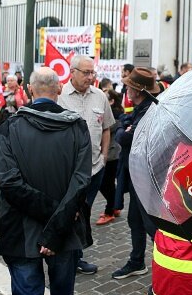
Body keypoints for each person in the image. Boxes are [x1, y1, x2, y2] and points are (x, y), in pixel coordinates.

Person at [0, 67, 92, 295]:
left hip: (21, 234)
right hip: (64, 233)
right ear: (59, 90)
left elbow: (10, 183)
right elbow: (81, 182)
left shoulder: (9, 128)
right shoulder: (77, 127)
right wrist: (57, 221)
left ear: (28, 90)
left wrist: (52, 218)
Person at [57, 55, 114, 274]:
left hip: (94, 168)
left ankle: (76, 256)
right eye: (86, 73)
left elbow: (107, 127)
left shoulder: (99, 96)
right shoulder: (59, 95)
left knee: (84, 213)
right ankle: (62, 253)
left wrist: (104, 155)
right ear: (72, 72)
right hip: (67, 172)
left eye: (93, 73)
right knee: (69, 212)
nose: (90, 77)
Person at [112, 67, 160, 280]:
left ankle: (164, 272)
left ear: (137, 90)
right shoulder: (140, 109)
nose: (125, 89)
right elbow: (123, 125)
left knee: (152, 227)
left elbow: (125, 138)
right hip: (136, 175)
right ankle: (137, 261)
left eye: (129, 86)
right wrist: (125, 125)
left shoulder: (149, 110)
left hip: (145, 177)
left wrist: (125, 129)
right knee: (135, 220)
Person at [95, 88, 123, 225]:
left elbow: (104, 128)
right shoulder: (108, 112)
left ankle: (110, 211)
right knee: (107, 183)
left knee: (105, 183)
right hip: (109, 153)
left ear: (111, 101)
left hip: (112, 154)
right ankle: (115, 205)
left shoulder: (115, 115)